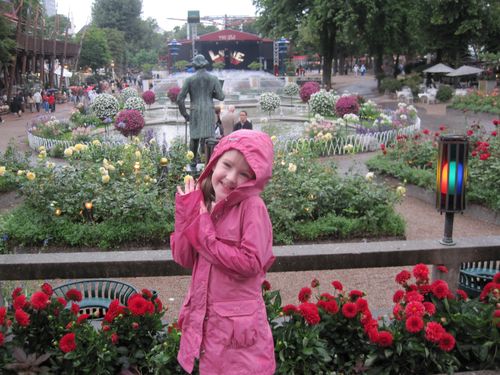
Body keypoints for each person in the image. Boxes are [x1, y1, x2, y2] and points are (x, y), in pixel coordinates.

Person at [171, 130, 276, 375]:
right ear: (214, 161)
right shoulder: (206, 202)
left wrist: (204, 233)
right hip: (209, 326)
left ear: (255, 179)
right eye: (227, 165)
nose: (230, 178)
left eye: (244, 174)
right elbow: (184, 258)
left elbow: (251, 263)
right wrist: (187, 213)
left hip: (238, 336)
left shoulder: (252, 207)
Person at [177, 54, 225, 165]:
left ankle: (192, 162)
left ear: (195, 65)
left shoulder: (189, 79)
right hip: (208, 110)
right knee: (210, 137)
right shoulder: (213, 78)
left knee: (194, 138)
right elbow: (221, 97)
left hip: (195, 111)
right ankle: (211, 161)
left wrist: (185, 114)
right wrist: (212, 92)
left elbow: (180, 99)